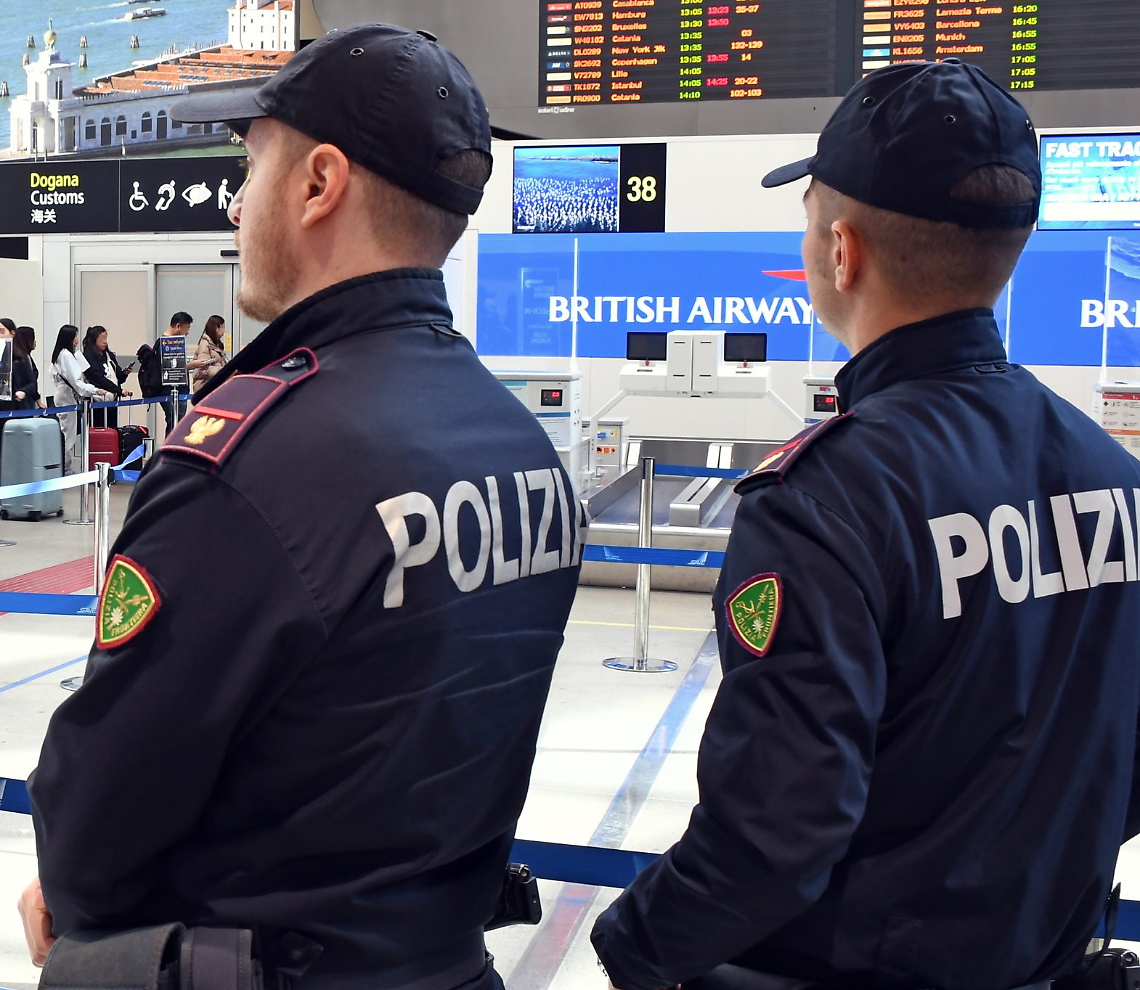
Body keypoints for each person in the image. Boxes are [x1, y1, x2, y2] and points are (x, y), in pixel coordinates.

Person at [22, 24, 584, 990]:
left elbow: (98, 828)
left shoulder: (251, 465)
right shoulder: (515, 442)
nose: (237, 203)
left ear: (319, 184)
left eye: (253, 167)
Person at [590, 60, 1140, 990]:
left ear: (841, 252)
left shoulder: (821, 503)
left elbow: (773, 837)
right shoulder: (1115, 479)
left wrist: (635, 943)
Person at [50, 324, 102, 475]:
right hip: (66, 396)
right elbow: (77, 381)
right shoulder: (66, 355)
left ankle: (64, 465)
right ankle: (65, 467)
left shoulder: (60, 354)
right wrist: (94, 389)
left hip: (62, 394)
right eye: (75, 336)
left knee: (66, 431)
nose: (77, 340)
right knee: (68, 433)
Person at [82, 325, 132, 429]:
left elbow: (118, 378)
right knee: (98, 431)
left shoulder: (109, 356)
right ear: (94, 340)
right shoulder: (87, 356)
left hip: (111, 401)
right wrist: (119, 390)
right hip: (97, 401)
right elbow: (97, 379)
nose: (104, 342)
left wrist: (125, 373)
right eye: (101, 339)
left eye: (106, 339)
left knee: (112, 430)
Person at [189, 313, 227, 394]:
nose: (224, 330)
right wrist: (223, 371)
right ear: (217, 328)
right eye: (223, 327)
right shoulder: (205, 345)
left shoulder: (217, 344)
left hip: (214, 386)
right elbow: (204, 369)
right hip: (205, 387)